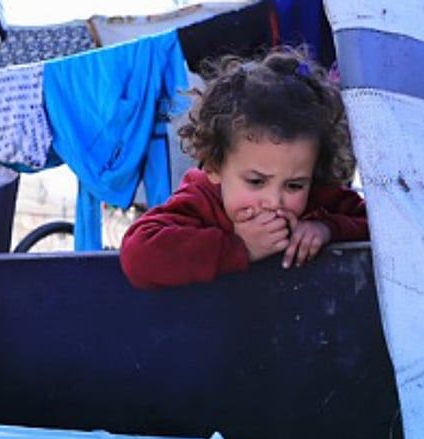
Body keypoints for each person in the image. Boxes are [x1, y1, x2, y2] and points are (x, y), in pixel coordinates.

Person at [119, 48, 367, 288]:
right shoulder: (200, 201)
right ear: (214, 166)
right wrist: (239, 246)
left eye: (294, 186)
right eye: (256, 182)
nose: (273, 201)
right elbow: (138, 255)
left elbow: (379, 225)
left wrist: (328, 229)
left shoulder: (318, 197)